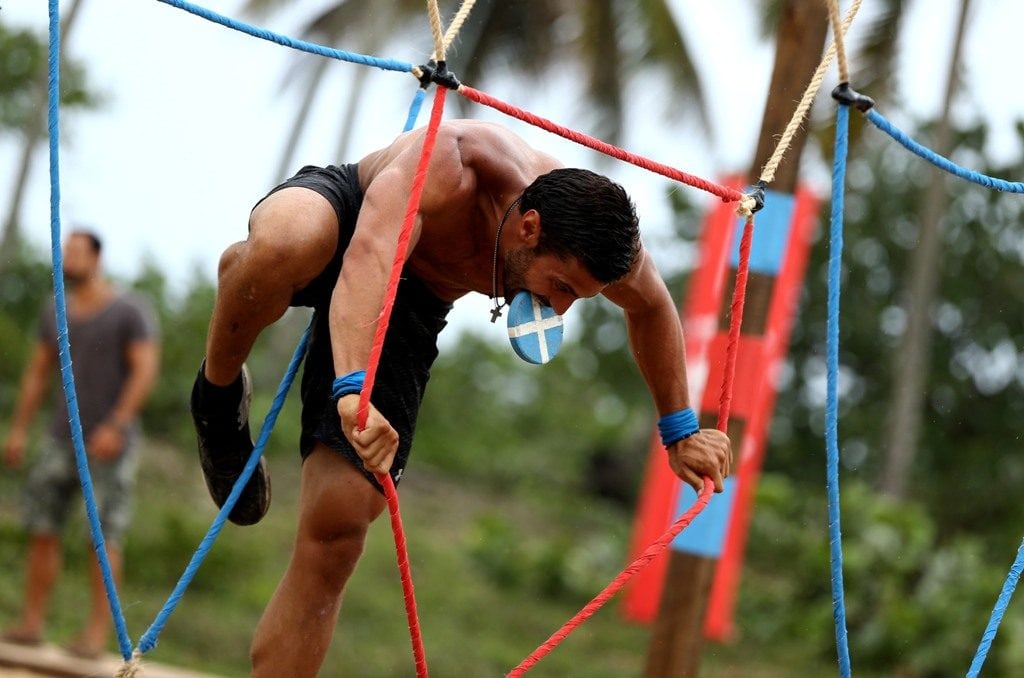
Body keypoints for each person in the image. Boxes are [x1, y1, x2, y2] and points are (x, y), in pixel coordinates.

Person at [188, 119, 732, 675]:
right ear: (529, 227)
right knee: (283, 242)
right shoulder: (453, 166)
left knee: (342, 523)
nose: (561, 309)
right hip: (353, 217)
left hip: (414, 295)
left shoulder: (606, 245)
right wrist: (352, 391)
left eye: (579, 299)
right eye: (562, 288)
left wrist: (680, 430)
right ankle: (218, 394)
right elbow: (371, 257)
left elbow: (652, 307)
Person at [2, 229, 160, 659]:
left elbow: (146, 368)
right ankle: (32, 624)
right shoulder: (54, 309)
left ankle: (95, 636)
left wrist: (117, 425)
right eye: (64, 251)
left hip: (109, 442)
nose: (67, 258)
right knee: (42, 528)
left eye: (75, 251)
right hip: (59, 438)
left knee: (104, 537)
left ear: (97, 258)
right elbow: (38, 371)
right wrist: (19, 429)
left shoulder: (129, 309)